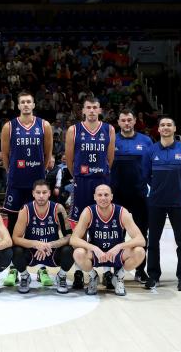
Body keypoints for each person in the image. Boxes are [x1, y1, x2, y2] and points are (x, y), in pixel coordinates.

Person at [1, 91, 53, 287]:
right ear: (18, 105)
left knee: (40, 224)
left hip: (37, 183)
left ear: (33, 104)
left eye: (28, 102)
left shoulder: (44, 125)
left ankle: (41, 268)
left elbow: (48, 153)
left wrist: (41, 173)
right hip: (16, 183)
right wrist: (11, 172)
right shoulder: (9, 126)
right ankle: (15, 267)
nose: (25, 105)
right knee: (14, 225)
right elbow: (5, 154)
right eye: (22, 102)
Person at [64, 96, 115, 289]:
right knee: (80, 228)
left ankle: (108, 272)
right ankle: (79, 271)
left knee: (106, 228)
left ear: (99, 110)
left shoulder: (109, 129)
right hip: (82, 182)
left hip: (101, 181)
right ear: (83, 110)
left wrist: (99, 174)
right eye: (88, 107)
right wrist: (79, 175)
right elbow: (69, 160)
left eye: (95, 107)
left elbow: (109, 159)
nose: (92, 110)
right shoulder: (73, 130)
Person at [142, 116, 181, 291]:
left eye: (168, 125)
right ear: (158, 129)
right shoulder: (150, 151)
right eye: (162, 125)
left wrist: (178, 187)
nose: (165, 127)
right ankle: (154, 276)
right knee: (153, 241)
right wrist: (158, 187)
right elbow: (146, 175)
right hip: (156, 202)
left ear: (174, 128)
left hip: (177, 202)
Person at [71, 185, 146, 296]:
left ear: (111, 197)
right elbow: (74, 239)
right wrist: (93, 248)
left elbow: (141, 240)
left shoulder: (122, 212)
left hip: (116, 253)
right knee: (78, 253)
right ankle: (93, 276)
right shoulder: (88, 212)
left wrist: (119, 246)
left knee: (139, 251)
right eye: (100, 195)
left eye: (106, 195)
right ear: (95, 197)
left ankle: (118, 277)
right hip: (97, 254)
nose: (103, 198)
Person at [110, 109, 153, 283]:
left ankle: (141, 270)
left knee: (142, 234)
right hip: (118, 197)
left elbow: (151, 167)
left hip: (139, 196)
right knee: (116, 235)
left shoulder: (146, 141)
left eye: (129, 120)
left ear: (135, 121)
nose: (126, 123)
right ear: (118, 122)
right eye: (123, 120)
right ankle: (116, 270)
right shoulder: (112, 140)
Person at [11, 180, 73, 294]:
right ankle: (24, 276)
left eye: (44, 192)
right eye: (38, 192)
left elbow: (69, 236)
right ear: (33, 193)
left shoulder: (58, 208)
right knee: (15, 250)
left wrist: (50, 244)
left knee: (70, 250)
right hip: (32, 252)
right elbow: (16, 238)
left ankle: (61, 276)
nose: (41, 196)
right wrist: (36, 244)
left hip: (52, 251)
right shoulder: (25, 210)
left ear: (49, 193)